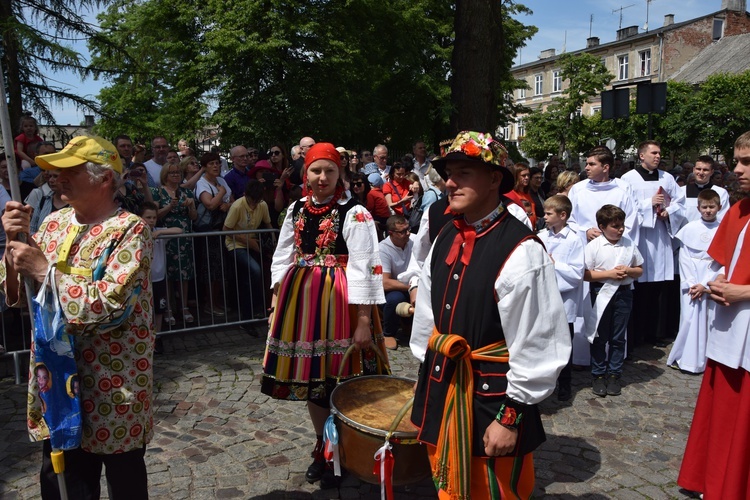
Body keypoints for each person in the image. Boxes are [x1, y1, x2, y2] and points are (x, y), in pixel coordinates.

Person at [409, 131, 570, 499]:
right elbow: (428, 320)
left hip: (492, 402)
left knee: (495, 491)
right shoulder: (446, 234)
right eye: (449, 173)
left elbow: (539, 344)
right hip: (444, 387)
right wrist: (425, 376)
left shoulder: (522, 250)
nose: (450, 182)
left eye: (463, 172)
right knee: (446, 483)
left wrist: (510, 417)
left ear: (495, 178)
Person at [0, 135, 154, 498]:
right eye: (56, 171)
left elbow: (110, 305)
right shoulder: (53, 223)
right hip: (57, 385)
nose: (58, 177)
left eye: (70, 170)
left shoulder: (132, 229)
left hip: (113, 386)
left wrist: (43, 271)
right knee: (63, 485)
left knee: (125, 485)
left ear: (103, 178)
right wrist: (13, 249)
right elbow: (21, 295)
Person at [261, 142, 386, 490]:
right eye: (316, 170)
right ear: (306, 174)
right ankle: (323, 445)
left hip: (343, 302)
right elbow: (283, 253)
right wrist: (276, 299)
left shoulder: (355, 213)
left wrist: (363, 321)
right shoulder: (295, 209)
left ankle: (350, 445)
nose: (322, 177)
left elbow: (365, 268)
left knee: (344, 375)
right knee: (316, 381)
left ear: (340, 173)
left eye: (329, 171)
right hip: (302, 303)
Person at [678, 131, 750, 499]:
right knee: (723, 412)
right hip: (729, 325)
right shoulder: (739, 209)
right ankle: (715, 482)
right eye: (737, 161)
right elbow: (726, 261)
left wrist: (746, 291)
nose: (736, 170)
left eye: (746, 162)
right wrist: (721, 280)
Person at [621, 140, 685, 347]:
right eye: (654, 153)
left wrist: (669, 212)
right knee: (640, 287)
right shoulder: (628, 179)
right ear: (641, 156)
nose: (658, 156)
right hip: (640, 236)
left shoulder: (667, 178)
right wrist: (648, 204)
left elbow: (679, 202)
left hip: (661, 235)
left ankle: (654, 332)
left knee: (658, 286)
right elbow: (625, 208)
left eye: (659, 153)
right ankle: (636, 334)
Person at [583, 205, 644, 397]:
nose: (620, 229)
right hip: (601, 292)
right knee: (600, 336)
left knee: (618, 337)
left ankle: (614, 374)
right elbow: (585, 274)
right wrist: (610, 274)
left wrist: (629, 271)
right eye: (615, 226)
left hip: (624, 293)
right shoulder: (593, 246)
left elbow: (640, 269)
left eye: (622, 225)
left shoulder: (629, 244)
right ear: (602, 226)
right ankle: (598, 374)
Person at [667, 190, 721, 374]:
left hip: (711, 279)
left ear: (719, 207)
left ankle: (707, 360)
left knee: (710, 320)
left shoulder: (722, 230)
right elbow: (685, 258)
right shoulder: (690, 229)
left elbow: (722, 261)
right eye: (704, 207)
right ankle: (686, 359)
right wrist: (692, 283)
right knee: (689, 319)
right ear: (698, 208)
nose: (708, 211)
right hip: (690, 282)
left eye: (711, 207)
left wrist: (705, 284)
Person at [538, 195, 584, 402]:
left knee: (564, 343)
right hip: (543, 298)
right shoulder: (541, 236)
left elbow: (576, 273)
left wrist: (554, 264)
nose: (544, 217)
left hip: (565, 301)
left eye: (549, 213)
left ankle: (565, 383)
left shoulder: (574, 240)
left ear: (563, 215)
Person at [152, 162, 198, 324]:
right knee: (168, 275)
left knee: (184, 274)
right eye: (172, 173)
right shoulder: (158, 192)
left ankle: (184, 307)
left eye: (178, 172)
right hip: (166, 238)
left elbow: (194, 217)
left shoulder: (186, 192)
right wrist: (169, 207)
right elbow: (154, 215)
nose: (176, 175)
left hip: (184, 238)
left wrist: (191, 206)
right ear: (165, 175)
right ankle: (168, 308)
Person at [223, 179, 272, 331]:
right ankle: (248, 315)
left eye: (257, 202)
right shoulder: (237, 206)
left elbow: (268, 224)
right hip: (236, 245)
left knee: (252, 279)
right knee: (254, 271)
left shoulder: (262, 205)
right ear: (246, 195)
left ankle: (252, 313)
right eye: (252, 201)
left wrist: (274, 243)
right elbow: (226, 230)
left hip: (253, 244)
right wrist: (247, 241)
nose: (254, 205)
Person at [194, 152, 233, 317]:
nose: (216, 166)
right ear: (205, 167)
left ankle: (217, 302)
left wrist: (228, 205)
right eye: (211, 164)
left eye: (217, 163)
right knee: (211, 269)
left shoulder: (222, 180)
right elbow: (209, 204)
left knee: (220, 269)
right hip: (208, 232)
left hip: (222, 229)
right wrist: (221, 193)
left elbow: (232, 199)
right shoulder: (201, 183)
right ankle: (209, 304)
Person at [140, 201, 183, 342]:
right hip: (143, 279)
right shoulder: (136, 234)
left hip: (158, 278)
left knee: (159, 309)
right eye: (148, 217)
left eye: (154, 217)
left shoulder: (159, 232)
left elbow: (179, 230)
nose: (151, 221)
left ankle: (157, 337)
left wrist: (160, 231)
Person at [379, 215, 413, 350]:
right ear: (391, 233)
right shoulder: (383, 249)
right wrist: (411, 287)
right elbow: (385, 283)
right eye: (403, 231)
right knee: (395, 299)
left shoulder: (413, 241)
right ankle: (388, 333)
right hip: (390, 291)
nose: (408, 233)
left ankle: (409, 324)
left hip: (409, 285)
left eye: (408, 229)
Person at [679, 155, 729, 223]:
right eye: (698, 169)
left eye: (705, 170)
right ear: (693, 170)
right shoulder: (681, 191)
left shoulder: (720, 192)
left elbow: (723, 218)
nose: (701, 173)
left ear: (712, 172)